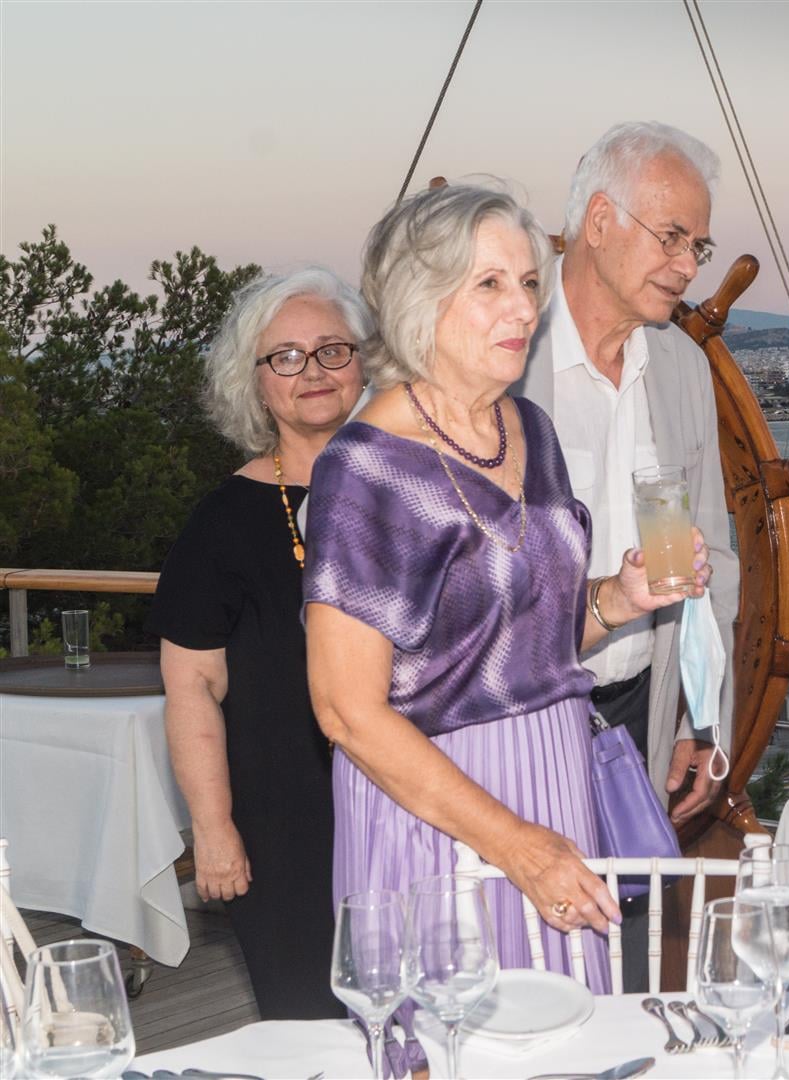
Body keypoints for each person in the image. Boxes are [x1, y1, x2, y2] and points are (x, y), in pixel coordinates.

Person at [303, 183, 712, 1005]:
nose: (523, 307)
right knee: (459, 1034)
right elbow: (346, 711)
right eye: (489, 283)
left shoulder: (530, 430)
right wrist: (517, 845)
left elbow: (528, 639)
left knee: (570, 1034)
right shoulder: (366, 468)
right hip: (441, 811)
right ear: (420, 298)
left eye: (528, 282)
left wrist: (618, 599)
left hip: (557, 781)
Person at [513, 121, 740, 991]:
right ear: (600, 220)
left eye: (699, 247)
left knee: (631, 967)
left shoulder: (680, 367)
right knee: (527, 966)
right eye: (672, 237)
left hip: (641, 716)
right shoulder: (504, 355)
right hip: (520, 717)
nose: (687, 267)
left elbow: (707, 555)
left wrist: (698, 719)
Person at [148, 268, 371, 1020]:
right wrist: (213, 831)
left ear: (364, 361)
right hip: (285, 831)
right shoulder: (223, 522)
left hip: (413, 808)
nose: (313, 371)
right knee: (310, 1032)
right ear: (255, 383)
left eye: (332, 349)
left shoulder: (414, 492)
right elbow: (191, 686)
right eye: (286, 357)